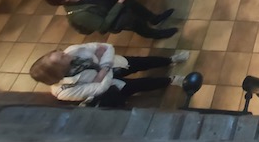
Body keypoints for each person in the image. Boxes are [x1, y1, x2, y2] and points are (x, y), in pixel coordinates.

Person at [30, 43, 189, 107]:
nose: (64, 53)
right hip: (113, 85)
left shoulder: (73, 51)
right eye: (61, 57)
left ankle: (170, 60)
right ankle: (171, 80)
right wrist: (103, 65)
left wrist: (102, 71)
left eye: (59, 52)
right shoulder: (63, 91)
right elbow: (100, 89)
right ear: (58, 70)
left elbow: (106, 47)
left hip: (115, 64)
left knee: (143, 62)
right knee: (141, 84)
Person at [43, 0, 179, 39]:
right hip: (117, 17)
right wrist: (120, 3)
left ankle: (154, 19)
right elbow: (104, 25)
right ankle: (156, 34)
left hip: (116, 2)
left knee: (137, 8)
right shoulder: (79, 15)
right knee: (137, 24)